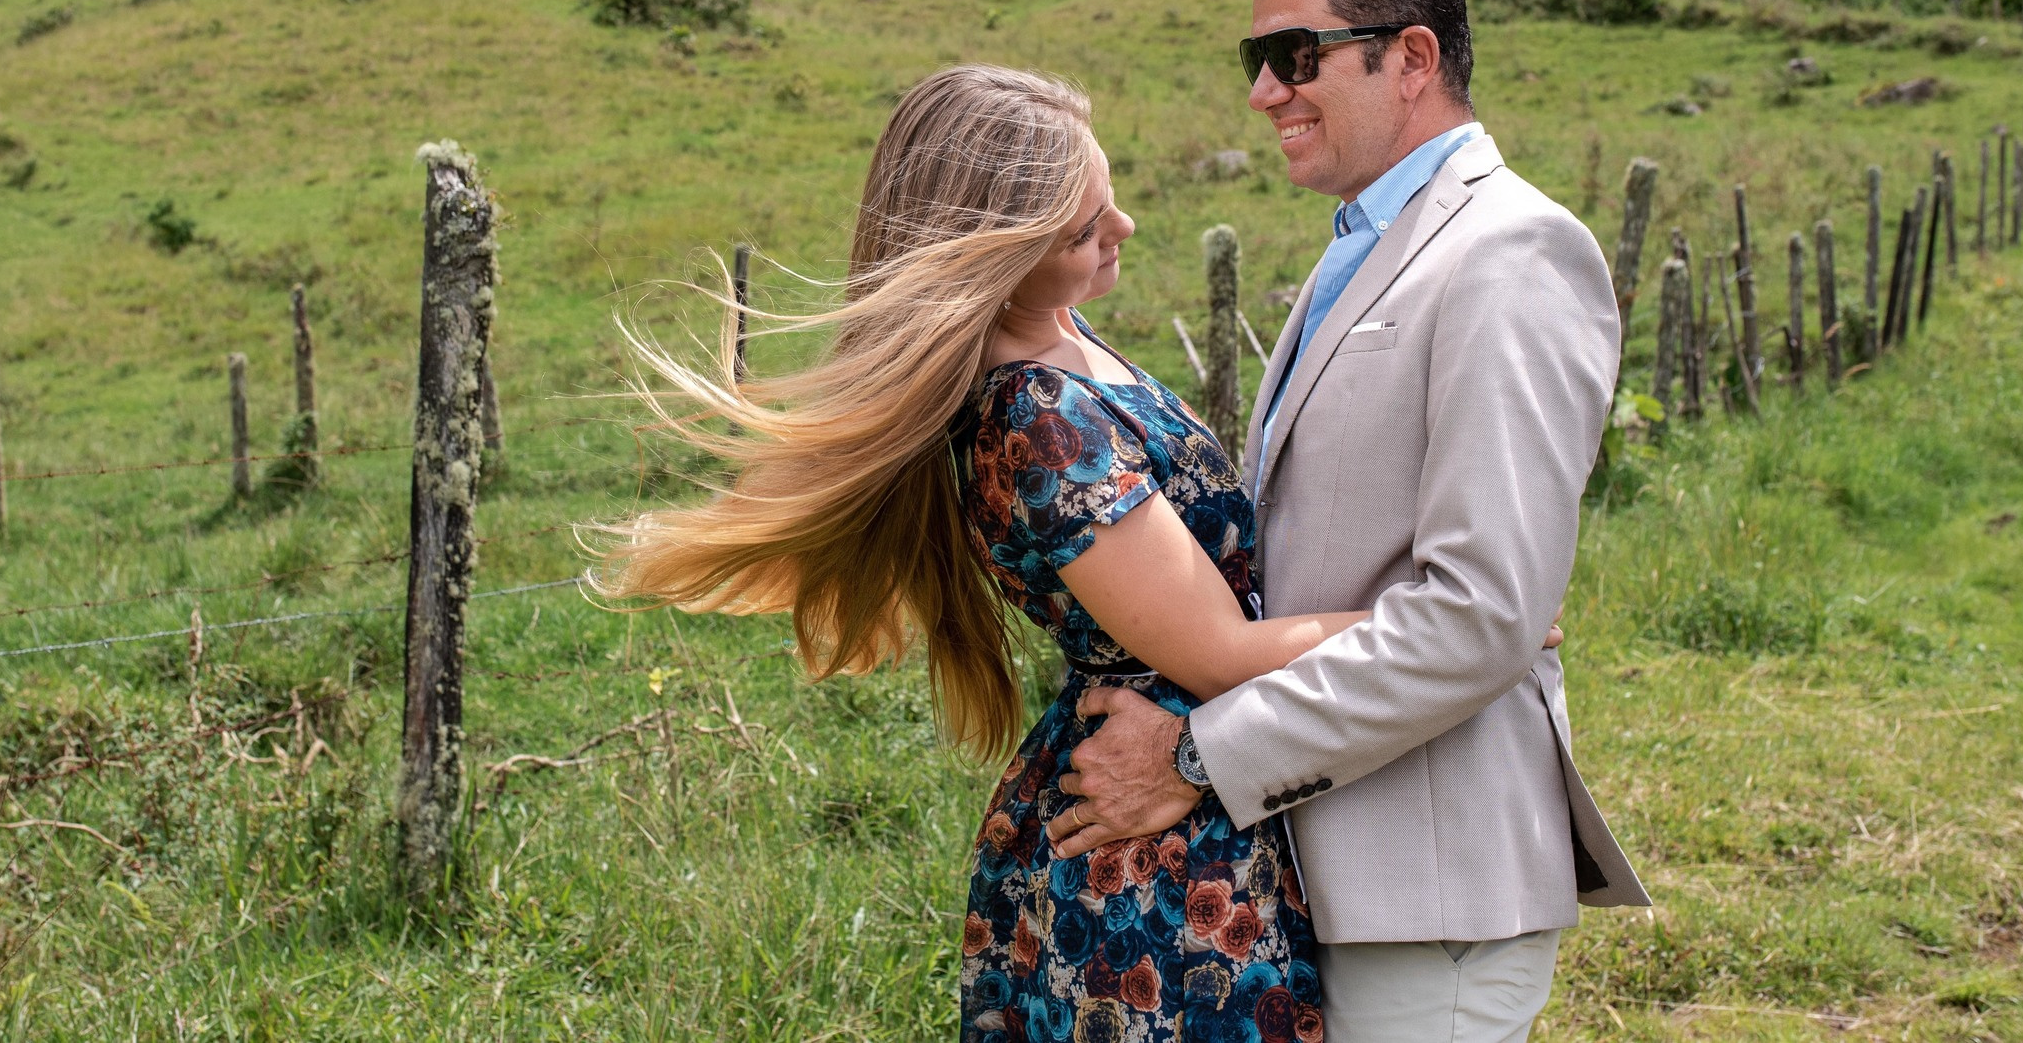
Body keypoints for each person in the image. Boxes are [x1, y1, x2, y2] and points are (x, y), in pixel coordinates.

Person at [606, 65, 1559, 1039]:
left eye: (1106, 195)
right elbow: (1218, 652)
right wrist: (1469, 622)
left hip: (1198, 784)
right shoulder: (1038, 415)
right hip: (1154, 845)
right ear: (996, 261)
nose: (1123, 227)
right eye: (1079, 227)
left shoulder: (1065, 336)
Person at [1049, 0, 1650, 1043]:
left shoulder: (1508, 251)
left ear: (1411, 57)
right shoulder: (1368, 238)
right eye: (1255, 60)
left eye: (1294, 55)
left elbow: (1479, 618)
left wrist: (1194, 754)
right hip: (1329, 867)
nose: (1263, 92)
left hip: (1426, 894)